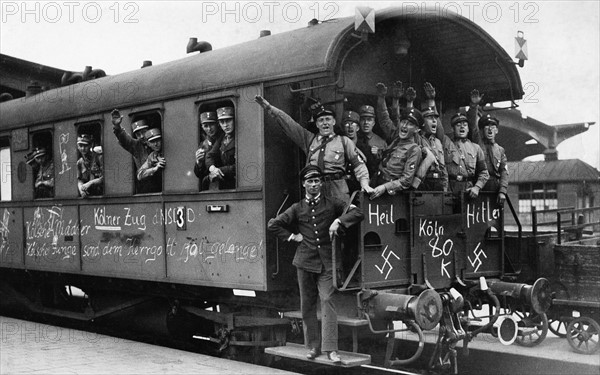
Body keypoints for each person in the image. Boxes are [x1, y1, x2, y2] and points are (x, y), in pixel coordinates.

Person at [267, 165, 364, 363]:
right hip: (304, 262)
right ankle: (313, 346)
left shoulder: (332, 204)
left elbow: (357, 213)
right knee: (307, 306)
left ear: (321, 183)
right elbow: (273, 224)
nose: (314, 184)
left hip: (328, 262)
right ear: (304, 184)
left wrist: (339, 221)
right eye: (310, 181)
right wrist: (293, 237)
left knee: (327, 300)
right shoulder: (297, 207)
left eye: (317, 181)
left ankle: (331, 349)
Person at [254, 95, 373, 201]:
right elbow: (289, 124)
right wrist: (269, 108)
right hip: (315, 190)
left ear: (334, 122)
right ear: (316, 124)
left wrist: (364, 183)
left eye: (328, 119)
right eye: (321, 120)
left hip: (338, 191)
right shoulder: (309, 140)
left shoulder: (343, 141)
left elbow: (358, 165)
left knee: (338, 223)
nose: (325, 123)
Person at [370, 108, 423, 199]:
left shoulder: (414, 150)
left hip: (390, 194)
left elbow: (406, 181)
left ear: (416, 130)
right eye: (403, 122)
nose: (404, 126)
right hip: (376, 183)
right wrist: (378, 153)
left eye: (410, 124)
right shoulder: (395, 141)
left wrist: (385, 187)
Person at [467, 90, 508, 204]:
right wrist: (474, 105)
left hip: (494, 190)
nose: (490, 129)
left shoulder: (500, 150)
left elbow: (504, 172)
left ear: (497, 130)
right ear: (482, 130)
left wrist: (502, 191)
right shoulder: (477, 142)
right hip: (478, 187)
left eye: (493, 126)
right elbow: (472, 124)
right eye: (486, 127)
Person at [443, 112, 489, 197]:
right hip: (450, 189)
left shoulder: (476, 148)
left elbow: (484, 172)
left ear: (468, 129)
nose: (462, 126)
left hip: (468, 191)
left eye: (465, 124)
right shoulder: (447, 144)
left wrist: (477, 187)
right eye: (458, 125)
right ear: (452, 129)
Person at [205, 107, 236, 190]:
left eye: (228, 120)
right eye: (222, 122)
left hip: (237, 184)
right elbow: (209, 155)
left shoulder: (239, 137)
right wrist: (212, 168)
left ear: (234, 120)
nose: (225, 125)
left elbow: (240, 165)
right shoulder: (222, 137)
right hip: (224, 184)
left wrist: (219, 170)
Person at [194, 111, 223, 191]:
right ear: (202, 127)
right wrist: (199, 163)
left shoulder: (224, 139)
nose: (209, 129)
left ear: (217, 124)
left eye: (212, 125)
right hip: (210, 187)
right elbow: (199, 175)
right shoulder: (202, 145)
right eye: (206, 126)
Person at [355, 105, 386, 178]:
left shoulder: (381, 142)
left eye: (369, 119)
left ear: (374, 123)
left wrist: (378, 154)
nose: (366, 123)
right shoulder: (353, 139)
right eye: (363, 119)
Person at [137, 128, 165, 192]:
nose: (155, 144)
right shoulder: (152, 156)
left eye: (158, 140)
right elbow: (140, 175)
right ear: (148, 144)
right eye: (152, 141)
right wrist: (155, 168)